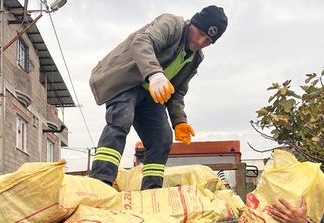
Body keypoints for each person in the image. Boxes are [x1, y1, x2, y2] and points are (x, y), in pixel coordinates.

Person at [88, 6, 228, 190]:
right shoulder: (171, 24)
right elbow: (142, 41)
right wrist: (155, 74)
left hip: (149, 94)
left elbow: (177, 91)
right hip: (127, 80)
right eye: (200, 32)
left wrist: (179, 120)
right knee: (122, 118)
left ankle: (151, 191)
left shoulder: (195, 58)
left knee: (162, 137)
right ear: (193, 23)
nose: (201, 41)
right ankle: (100, 183)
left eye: (208, 40)